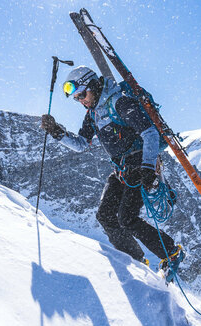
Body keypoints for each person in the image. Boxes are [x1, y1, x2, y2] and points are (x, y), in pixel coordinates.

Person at [40, 66, 184, 280]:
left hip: (139, 165)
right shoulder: (93, 114)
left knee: (127, 218)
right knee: (105, 216)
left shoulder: (120, 103)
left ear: (94, 86)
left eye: (82, 94)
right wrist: (57, 132)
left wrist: (147, 168)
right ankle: (135, 261)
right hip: (121, 169)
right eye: (76, 98)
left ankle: (172, 253)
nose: (81, 100)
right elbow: (81, 144)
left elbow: (150, 132)